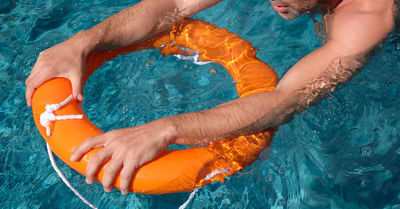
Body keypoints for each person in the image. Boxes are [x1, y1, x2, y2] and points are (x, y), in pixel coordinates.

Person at [25, 0, 397, 195]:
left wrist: (167, 129)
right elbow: (172, 3)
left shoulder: (367, 19)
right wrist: (83, 42)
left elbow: (285, 100)